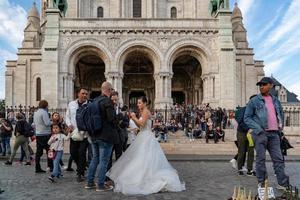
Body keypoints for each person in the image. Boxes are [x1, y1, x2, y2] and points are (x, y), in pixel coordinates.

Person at [106, 96, 185, 195]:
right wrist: (134, 118)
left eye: (139, 103)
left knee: (144, 158)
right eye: (138, 103)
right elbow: (140, 125)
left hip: (146, 137)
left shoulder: (146, 112)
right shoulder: (143, 112)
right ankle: (141, 176)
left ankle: (145, 178)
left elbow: (142, 124)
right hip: (143, 136)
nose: (138, 105)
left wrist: (134, 117)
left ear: (144, 103)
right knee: (141, 158)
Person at [244, 77, 294, 191]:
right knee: (260, 160)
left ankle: (283, 183)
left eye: (264, 84)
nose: (261, 86)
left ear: (271, 85)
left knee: (278, 159)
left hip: (274, 134)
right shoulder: (254, 101)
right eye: (260, 85)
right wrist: (258, 129)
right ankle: (262, 184)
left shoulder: (276, 100)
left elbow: (280, 114)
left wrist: (280, 129)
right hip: (260, 134)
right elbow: (247, 118)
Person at [85, 82, 119, 192]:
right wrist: (120, 117)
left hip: (94, 135)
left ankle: (90, 183)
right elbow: (112, 119)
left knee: (95, 159)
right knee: (104, 161)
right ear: (109, 90)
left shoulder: (94, 100)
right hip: (105, 136)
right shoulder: (107, 101)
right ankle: (100, 184)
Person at [66, 87, 89, 182]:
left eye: (86, 94)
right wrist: (69, 124)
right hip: (74, 133)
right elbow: (67, 116)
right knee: (73, 152)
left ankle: (80, 173)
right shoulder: (71, 104)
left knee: (82, 153)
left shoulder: (89, 105)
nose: (85, 95)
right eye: (83, 93)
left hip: (85, 134)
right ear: (78, 94)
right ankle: (82, 165)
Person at [33, 100, 53, 173]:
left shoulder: (36, 113)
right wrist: (53, 121)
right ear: (45, 105)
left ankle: (37, 167)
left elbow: (34, 123)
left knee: (38, 152)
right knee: (49, 151)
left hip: (38, 134)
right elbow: (47, 123)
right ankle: (50, 166)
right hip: (46, 134)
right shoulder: (44, 112)